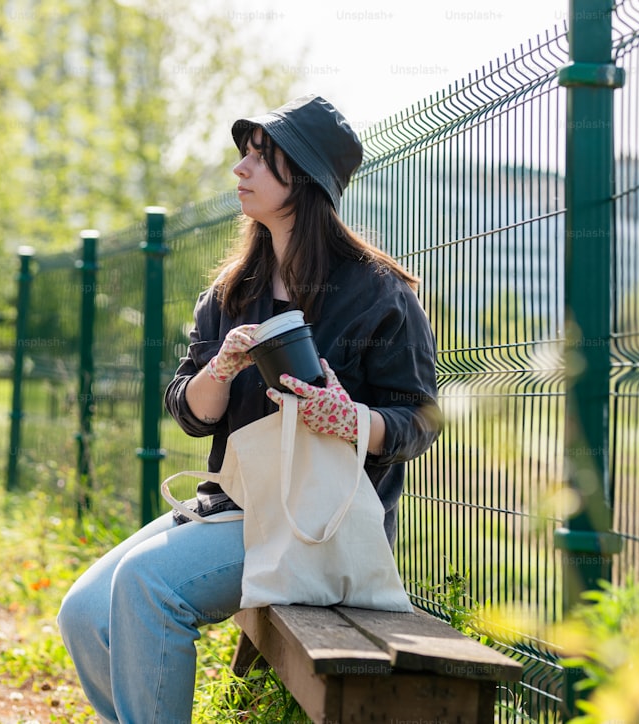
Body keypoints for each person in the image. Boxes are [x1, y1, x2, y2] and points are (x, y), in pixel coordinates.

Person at [57, 94, 441, 724]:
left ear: (308, 176)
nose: (240, 169)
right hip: (233, 504)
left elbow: (418, 421)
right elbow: (189, 410)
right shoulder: (233, 291)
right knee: (81, 611)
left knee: (148, 588)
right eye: (242, 154)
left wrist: (351, 422)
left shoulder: (380, 293)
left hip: (317, 521)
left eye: (262, 157)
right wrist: (221, 366)